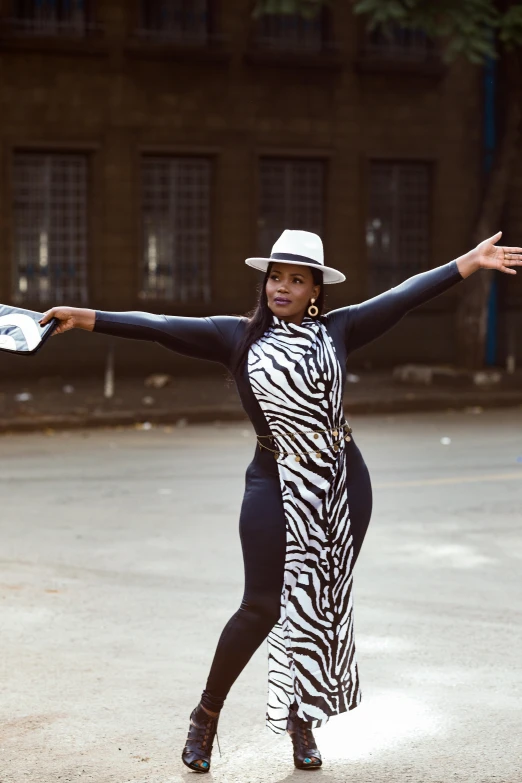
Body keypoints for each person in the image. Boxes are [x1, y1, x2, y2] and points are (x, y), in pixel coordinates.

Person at [40, 229, 521, 773]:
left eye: (296, 279)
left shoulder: (340, 329)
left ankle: (302, 720)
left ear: (316, 288)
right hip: (273, 480)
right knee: (261, 606)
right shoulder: (234, 336)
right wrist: (84, 317)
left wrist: (470, 263)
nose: (283, 287)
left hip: (342, 482)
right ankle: (206, 715)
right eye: (275, 277)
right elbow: (159, 328)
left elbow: (404, 294)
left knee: (319, 604)